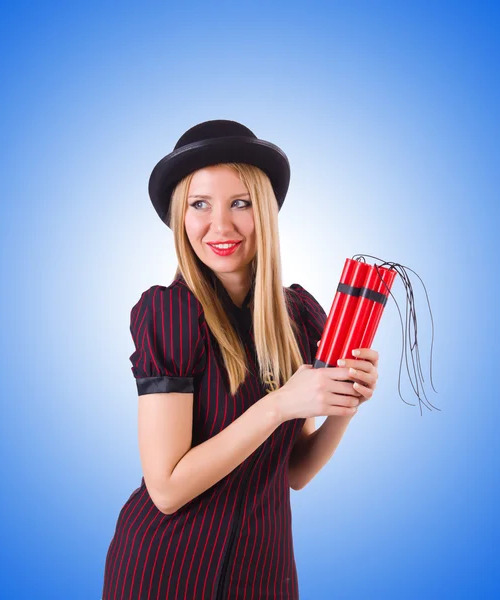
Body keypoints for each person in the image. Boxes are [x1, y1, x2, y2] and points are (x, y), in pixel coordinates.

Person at [102, 119, 379, 599]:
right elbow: (165, 491)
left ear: (265, 212)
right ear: (180, 216)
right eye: (200, 204)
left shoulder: (297, 316)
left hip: (264, 570)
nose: (221, 225)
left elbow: (294, 471)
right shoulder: (170, 314)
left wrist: (344, 404)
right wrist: (279, 405)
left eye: (240, 203)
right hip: (167, 571)